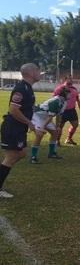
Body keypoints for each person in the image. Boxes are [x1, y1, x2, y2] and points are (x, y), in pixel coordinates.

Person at [0, 63, 40, 198]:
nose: (40, 73)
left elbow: (23, 108)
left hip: (18, 128)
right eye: (38, 70)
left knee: (21, 154)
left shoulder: (28, 88)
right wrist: (29, 123)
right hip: (13, 127)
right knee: (11, 157)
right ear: (31, 72)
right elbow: (13, 110)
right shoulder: (21, 88)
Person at [30, 88, 70, 163]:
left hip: (46, 117)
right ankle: (33, 157)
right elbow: (50, 117)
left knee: (55, 132)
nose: (70, 95)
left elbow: (59, 115)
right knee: (40, 135)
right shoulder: (55, 101)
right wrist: (42, 127)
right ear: (64, 95)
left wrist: (58, 126)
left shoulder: (64, 102)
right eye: (68, 94)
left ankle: (52, 153)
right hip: (37, 116)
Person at [54, 76, 80, 145]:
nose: (71, 80)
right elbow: (54, 99)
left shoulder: (74, 89)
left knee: (75, 125)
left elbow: (77, 99)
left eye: (72, 79)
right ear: (65, 80)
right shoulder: (59, 89)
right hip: (62, 111)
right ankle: (57, 141)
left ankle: (69, 139)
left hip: (72, 111)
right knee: (60, 127)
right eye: (70, 79)